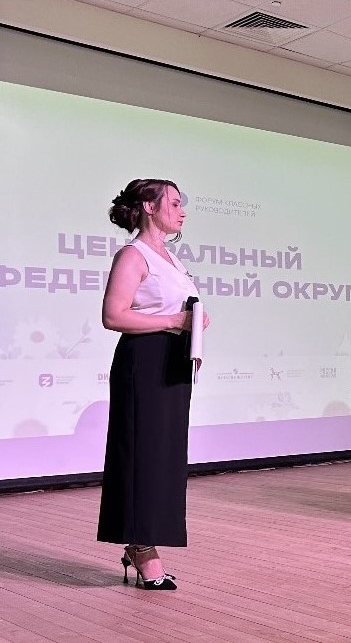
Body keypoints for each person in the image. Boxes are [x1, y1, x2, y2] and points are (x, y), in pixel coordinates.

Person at [97, 178, 209, 590]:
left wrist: (195, 321)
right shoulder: (133, 254)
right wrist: (175, 320)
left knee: (164, 458)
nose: (182, 211)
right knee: (142, 455)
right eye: (174, 203)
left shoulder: (171, 259)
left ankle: (144, 542)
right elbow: (113, 316)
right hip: (144, 362)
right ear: (149, 206)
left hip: (172, 361)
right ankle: (142, 548)